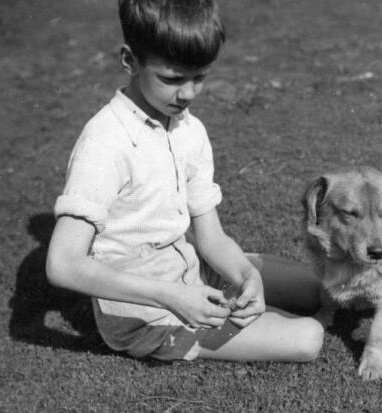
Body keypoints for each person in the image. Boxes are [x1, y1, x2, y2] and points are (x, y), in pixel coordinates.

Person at [46, 0, 323, 362]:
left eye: (200, 77)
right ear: (130, 60)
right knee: (308, 337)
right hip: (146, 315)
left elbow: (211, 238)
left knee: (318, 286)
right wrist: (173, 296)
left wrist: (246, 276)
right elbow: (63, 264)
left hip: (192, 272)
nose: (188, 93)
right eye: (172, 79)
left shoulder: (189, 130)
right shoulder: (105, 142)